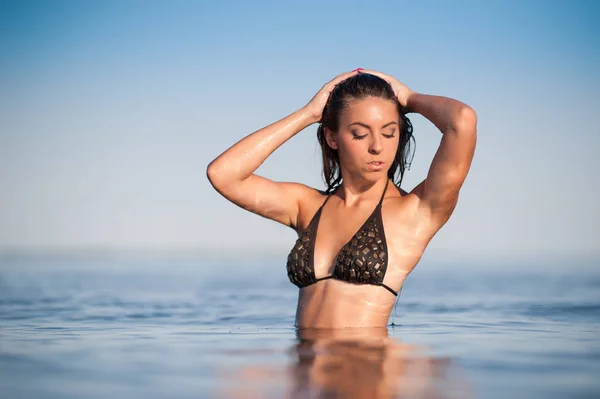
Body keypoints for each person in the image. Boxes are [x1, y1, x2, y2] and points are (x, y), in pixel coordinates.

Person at [207, 69, 477, 328]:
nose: (377, 146)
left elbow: (462, 120)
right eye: (360, 133)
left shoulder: (416, 210)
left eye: (389, 132)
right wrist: (308, 114)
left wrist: (409, 99)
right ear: (332, 137)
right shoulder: (307, 206)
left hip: (366, 368)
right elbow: (223, 174)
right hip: (303, 371)